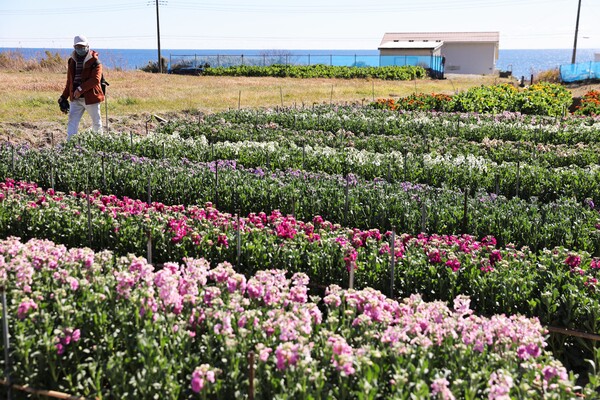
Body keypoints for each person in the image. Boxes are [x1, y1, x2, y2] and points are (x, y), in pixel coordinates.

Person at [59, 35, 104, 140]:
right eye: (78, 47)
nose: (80, 49)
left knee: (96, 122)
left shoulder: (95, 61)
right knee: (72, 121)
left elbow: (95, 80)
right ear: (74, 47)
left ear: (88, 46)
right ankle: (70, 145)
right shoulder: (71, 61)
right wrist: (64, 96)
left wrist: (80, 89)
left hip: (91, 97)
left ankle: (99, 143)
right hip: (76, 98)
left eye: (82, 47)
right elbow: (70, 81)